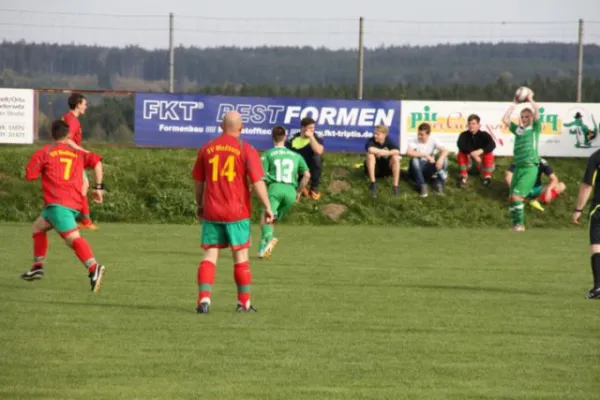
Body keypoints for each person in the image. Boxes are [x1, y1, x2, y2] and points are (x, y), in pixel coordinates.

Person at [192, 111, 274, 314]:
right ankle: (243, 303)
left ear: (221, 127)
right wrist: (268, 207)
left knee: (210, 255)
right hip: (237, 212)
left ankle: (204, 300)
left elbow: (198, 181)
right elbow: (257, 181)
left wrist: (199, 204)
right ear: (241, 128)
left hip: (212, 210)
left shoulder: (207, 148)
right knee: (240, 257)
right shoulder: (246, 148)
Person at [20, 120, 106, 293]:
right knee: (38, 227)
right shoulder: (78, 152)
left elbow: (30, 175)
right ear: (68, 135)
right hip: (73, 203)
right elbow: (97, 161)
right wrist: (98, 188)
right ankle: (37, 265)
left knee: (73, 239)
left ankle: (93, 267)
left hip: (58, 204)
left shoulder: (45, 152)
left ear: (51, 135)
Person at [258, 126, 310, 259]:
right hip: (291, 192)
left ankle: (269, 238)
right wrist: (298, 192)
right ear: (285, 137)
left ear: (272, 137)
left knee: (266, 217)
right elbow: (307, 175)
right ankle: (263, 249)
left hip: (275, 189)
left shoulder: (268, 154)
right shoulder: (296, 155)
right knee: (272, 219)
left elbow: (261, 177)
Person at [501, 91, 541, 231]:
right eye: (522, 117)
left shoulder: (535, 128)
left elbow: (537, 111)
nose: (525, 119)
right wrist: (514, 103)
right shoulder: (519, 130)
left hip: (530, 167)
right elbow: (505, 119)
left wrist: (530, 99)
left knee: (517, 197)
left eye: (527, 116)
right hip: (518, 167)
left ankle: (520, 225)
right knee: (512, 197)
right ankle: (515, 225)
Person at [62, 93, 98, 230]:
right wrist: (82, 150)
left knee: (79, 187)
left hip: (69, 157)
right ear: (78, 105)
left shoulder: (67, 117)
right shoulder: (72, 121)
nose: (86, 106)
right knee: (83, 185)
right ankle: (85, 220)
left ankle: (79, 219)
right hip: (71, 157)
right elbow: (67, 139)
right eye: (84, 104)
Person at [573, 148, 600, 299]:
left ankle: (598, 287)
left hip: (599, 208)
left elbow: (587, 185)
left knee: (597, 246)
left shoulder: (596, 157)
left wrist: (578, 209)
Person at [286, 117, 324, 200]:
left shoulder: (316, 137)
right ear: (303, 127)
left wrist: (311, 137)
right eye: (310, 128)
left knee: (317, 158)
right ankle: (300, 185)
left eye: (313, 127)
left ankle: (314, 188)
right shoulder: (293, 138)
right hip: (296, 167)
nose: (312, 130)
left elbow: (319, 151)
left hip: (310, 167)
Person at [406, 122, 448, 197]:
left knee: (445, 160)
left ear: (428, 135)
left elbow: (445, 151)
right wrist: (425, 155)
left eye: (422, 135)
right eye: (418, 134)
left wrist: (440, 159)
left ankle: (438, 184)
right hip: (417, 169)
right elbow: (409, 152)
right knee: (414, 160)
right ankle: (422, 185)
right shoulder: (415, 140)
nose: (419, 136)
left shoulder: (433, 139)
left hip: (428, 167)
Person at [456, 114, 496, 187]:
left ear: (478, 125)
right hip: (469, 164)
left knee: (489, 153)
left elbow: (492, 144)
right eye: (469, 124)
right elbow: (460, 145)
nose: (471, 125)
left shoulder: (484, 134)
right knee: (461, 153)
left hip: (480, 164)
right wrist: (472, 154)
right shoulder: (463, 135)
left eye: (473, 124)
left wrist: (480, 151)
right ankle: (463, 176)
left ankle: (487, 178)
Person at [364, 124, 401, 198]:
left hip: (386, 168)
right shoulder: (371, 140)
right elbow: (370, 149)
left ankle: (395, 186)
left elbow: (397, 151)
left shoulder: (389, 140)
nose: (375, 136)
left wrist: (386, 153)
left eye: (378, 134)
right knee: (370, 155)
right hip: (375, 170)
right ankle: (373, 183)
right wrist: (382, 151)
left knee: (396, 158)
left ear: (385, 135)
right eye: (375, 133)